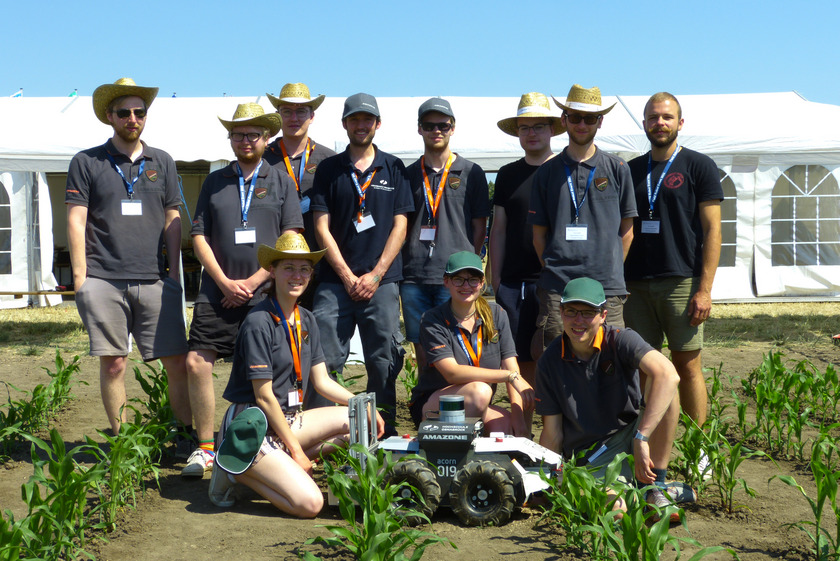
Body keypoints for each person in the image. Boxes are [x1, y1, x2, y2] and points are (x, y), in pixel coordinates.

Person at [207, 233, 384, 516]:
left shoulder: (306, 318)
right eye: (288, 267)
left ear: (311, 274)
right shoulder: (258, 323)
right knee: (310, 504)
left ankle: (274, 463)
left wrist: (363, 404)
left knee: (357, 421)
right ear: (273, 271)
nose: (297, 275)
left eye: (304, 269)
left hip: (289, 419)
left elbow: (322, 381)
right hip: (253, 424)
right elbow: (264, 397)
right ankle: (234, 470)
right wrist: (299, 454)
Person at [182, 104, 304, 477]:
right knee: (197, 362)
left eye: (253, 134)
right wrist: (222, 281)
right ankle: (204, 447)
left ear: (267, 139)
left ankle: (260, 442)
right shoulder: (215, 180)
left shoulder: (281, 179)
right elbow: (198, 235)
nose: (245, 140)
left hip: (265, 293)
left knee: (262, 373)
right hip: (217, 292)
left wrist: (253, 282)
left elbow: (293, 237)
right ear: (230, 139)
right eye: (238, 134)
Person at [65, 78, 190, 437]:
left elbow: (173, 218)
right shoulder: (87, 161)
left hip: (155, 280)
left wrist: (175, 275)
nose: (132, 118)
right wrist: (80, 278)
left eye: (139, 112)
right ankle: (122, 441)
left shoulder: (162, 160)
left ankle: (183, 434)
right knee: (115, 363)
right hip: (103, 279)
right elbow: (76, 218)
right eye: (124, 113)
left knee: (177, 361)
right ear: (110, 116)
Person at [624, 92, 723, 475]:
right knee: (646, 368)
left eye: (667, 117)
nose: (659, 123)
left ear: (680, 123)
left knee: (687, 364)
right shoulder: (631, 170)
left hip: (682, 281)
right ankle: (645, 446)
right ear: (644, 123)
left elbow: (713, 229)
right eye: (652, 117)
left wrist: (705, 289)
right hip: (635, 284)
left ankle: (701, 450)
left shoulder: (699, 165)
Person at [310, 93, 414, 435]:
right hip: (333, 283)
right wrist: (346, 274)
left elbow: (401, 224)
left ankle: (382, 431)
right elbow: (321, 225)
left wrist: (376, 274)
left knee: (383, 358)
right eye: (354, 119)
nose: (361, 125)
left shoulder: (394, 167)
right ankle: (326, 431)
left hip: (381, 283)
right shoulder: (328, 169)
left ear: (377, 124)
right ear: (345, 124)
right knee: (326, 359)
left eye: (367, 119)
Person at [535, 277, 681, 521]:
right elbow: (552, 432)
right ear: (560, 312)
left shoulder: (621, 339)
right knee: (616, 510)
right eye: (571, 312)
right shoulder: (549, 361)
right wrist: (550, 480)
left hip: (631, 432)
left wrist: (641, 437)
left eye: (588, 313)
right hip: (592, 452)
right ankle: (644, 494)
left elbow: (669, 374)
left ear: (603, 315)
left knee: (668, 393)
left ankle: (658, 488)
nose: (578, 321)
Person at [528, 84, 637, 356]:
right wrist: (557, 269)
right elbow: (538, 235)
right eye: (575, 117)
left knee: (611, 358)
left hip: (607, 288)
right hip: (557, 287)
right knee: (554, 358)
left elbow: (627, 231)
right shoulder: (546, 173)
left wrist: (608, 267)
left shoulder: (618, 168)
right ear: (563, 119)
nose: (581, 124)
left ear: (600, 122)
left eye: (589, 118)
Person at [489, 92, 564, 433]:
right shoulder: (507, 174)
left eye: (538, 126)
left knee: (552, 359)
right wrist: (496, 277)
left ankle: (556, 435)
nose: (531, 133)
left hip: (551, 283)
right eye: (524, 127)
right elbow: (499, 230)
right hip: (513, 283)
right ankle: (522, 432)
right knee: (515, 362)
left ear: (551, 130)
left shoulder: (565, 171)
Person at [402, 97, 490, 371]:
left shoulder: (472, 172)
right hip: (414, 275)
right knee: (421, 345)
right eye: (429, 125)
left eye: (443, 125)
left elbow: (479, 226)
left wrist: (468, 264)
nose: (436, 130)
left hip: (455, 276)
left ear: (453, 128)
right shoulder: (407, 174)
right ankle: (427, 402)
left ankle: (457, 405)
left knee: (457, 343)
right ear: (419, 129)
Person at [410, 252, 534, 436]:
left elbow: (511, 364)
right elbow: (452, 373)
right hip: (435, 403)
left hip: (480, 402)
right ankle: (453, 455)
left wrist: (519, 419)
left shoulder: (497, 313)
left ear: (482, 282)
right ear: (446, 281)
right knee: (480, 391)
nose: (466, 286)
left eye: (473, 280)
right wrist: (509, 376)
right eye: (458, 279)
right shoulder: (432, 319)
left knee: (505, 427)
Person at [263, 83, 336, 259]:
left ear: (312, 116)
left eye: (301, 111)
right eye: (287, 111)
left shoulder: (330, 159)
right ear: (277, 116)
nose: (294, 118)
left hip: (321, 260)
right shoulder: (263, 159)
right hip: (274, 261)